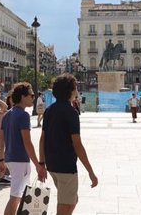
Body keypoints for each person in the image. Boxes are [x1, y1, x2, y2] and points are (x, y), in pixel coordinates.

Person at [39, 74, 98, 215]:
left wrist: (41, 164)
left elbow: (42, 139)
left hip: (52, 165)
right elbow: (77, 145)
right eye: (75, 88)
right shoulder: (71, 112)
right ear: (70, 91)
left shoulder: (49, 110)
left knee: (72, 200)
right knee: (65, 207)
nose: (77, 91)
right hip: (66, 167)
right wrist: (90, 171)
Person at [0, 82, 47, 215]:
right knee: (15, 196)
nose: (33, 97)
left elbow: (1, 139)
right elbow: (27, 142)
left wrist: (1, 159)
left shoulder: (7, 114)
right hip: (20, 160)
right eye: (31, 95)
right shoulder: (23, 115)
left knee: (18, 195)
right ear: (22, 97)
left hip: (10, 158)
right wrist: (38, 165)